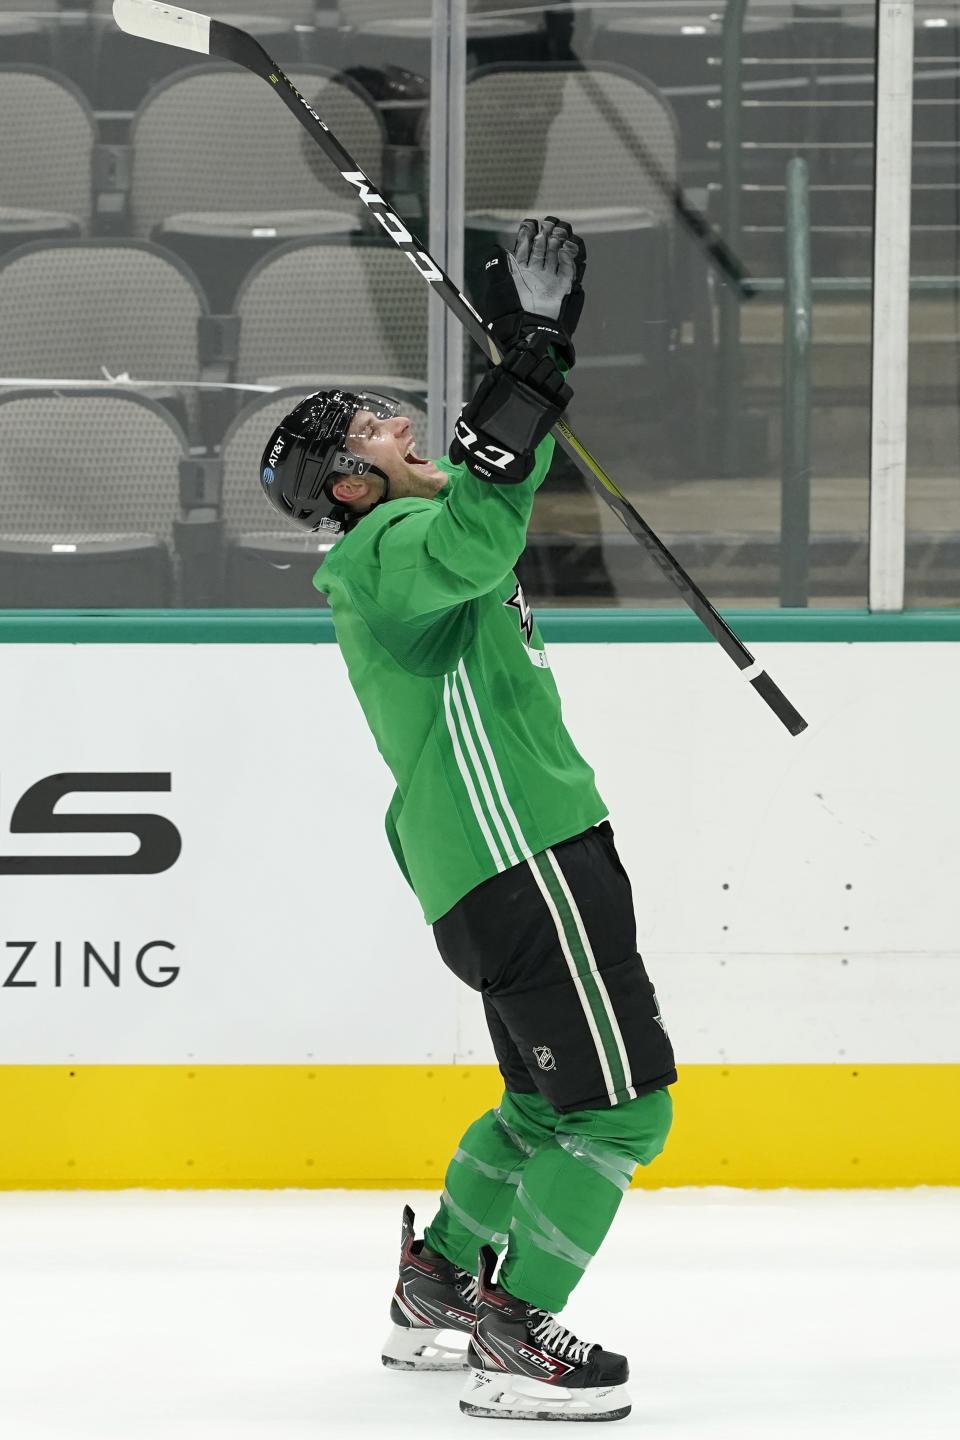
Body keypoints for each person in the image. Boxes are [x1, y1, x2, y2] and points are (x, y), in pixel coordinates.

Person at [259, 218, 677, 1423]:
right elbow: (479, 527)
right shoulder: (389, 547)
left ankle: (440, 1285)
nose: (400, 424)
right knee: (620, 1111)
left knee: (543, 1105)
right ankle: (514, 1340)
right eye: (376, 430)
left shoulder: (398, 543)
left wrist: (526, 371)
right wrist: (531, 357)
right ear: (350, 486)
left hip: (499, 864)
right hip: (524, 854)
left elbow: (488, 510)